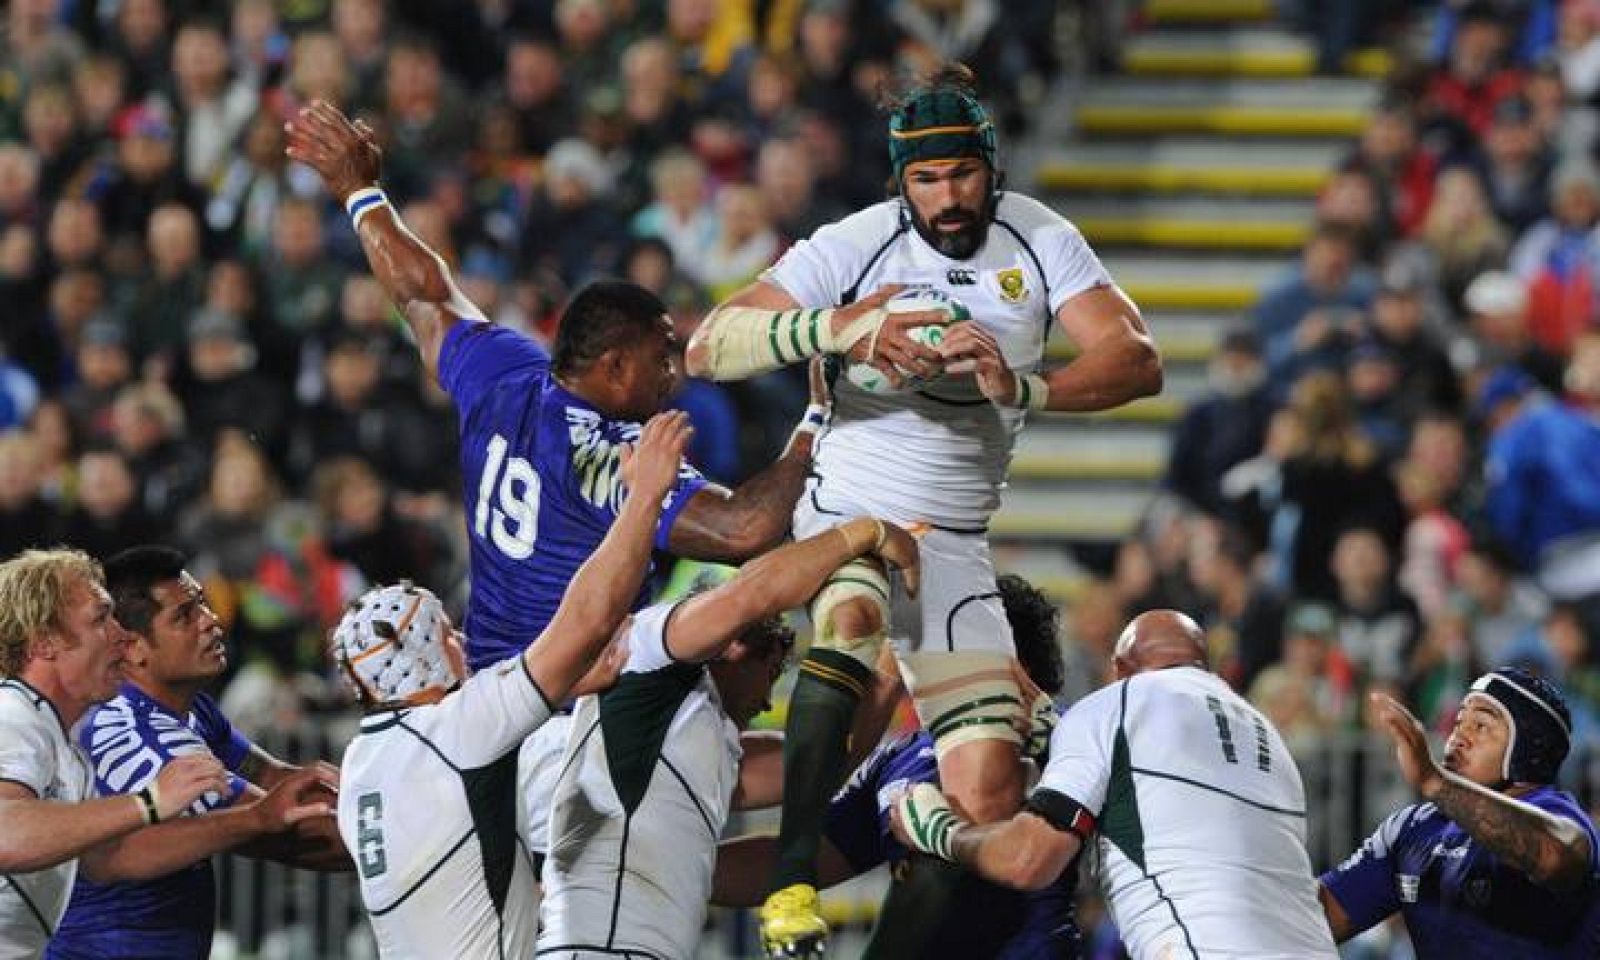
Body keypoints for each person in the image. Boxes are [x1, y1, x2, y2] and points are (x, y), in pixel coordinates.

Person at [284, 99, 862, 880]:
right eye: (663, 356)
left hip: (489, 705)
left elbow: (420, 294)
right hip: (572, 713)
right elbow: (745, 529)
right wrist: (817, 418)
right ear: (615, 366)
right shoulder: (611, 455)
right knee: (697, 835)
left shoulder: (503, 372)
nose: (676, 371)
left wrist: (359, 193)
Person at [683, 63, 1162, 955]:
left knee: (986, 791)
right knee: (856, 612)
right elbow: (709, 343)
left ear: (992, 165)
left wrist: (1023, 384)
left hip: (954, 544)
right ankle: (791, 888)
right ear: (900, 181)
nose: (946, 197)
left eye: (962, 175)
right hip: (849, 510)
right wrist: (835, 328)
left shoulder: (1039, 239)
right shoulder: (859, 244)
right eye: (925, 180)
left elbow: (1136, 359)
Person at [332, 412, 691, 960]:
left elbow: (457, 859)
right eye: (449, 632)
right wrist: (644, 497)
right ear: (433, 650)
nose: (463, 641)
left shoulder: (361, 763)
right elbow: (585, 622)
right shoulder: (458, 727)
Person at [536, 511, 920, 960]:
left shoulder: (693, 738)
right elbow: (748, 595)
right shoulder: (647, 657)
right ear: (735, 645)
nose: (764, 703)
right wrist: (862, 533)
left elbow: (823, 759)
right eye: (772, 673)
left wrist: (894, 664)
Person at [892, 609, 1339, 959]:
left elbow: (1028, 859)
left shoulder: (1117, 702)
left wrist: (939, 830)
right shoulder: (1266, 736)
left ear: (1119, 669)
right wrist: (1062, 731)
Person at [712, 574, 1080, 959]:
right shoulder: (900, 756)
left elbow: (940, 874)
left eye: (938, 642)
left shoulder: (1067, 737)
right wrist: (679, 866)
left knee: (936, 858)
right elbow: (808, 856)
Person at [0, 548, 330, 960]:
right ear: (45, 642)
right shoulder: (11, 716)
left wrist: (252, 818)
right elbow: (5, 832)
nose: (121, 636)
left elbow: (102, 860)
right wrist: (150, 802)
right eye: (101, 618)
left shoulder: (66, 741)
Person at [1319, 669, 1600, 956]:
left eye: (1480, 725)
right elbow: (1316, 919)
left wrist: (1434, 782)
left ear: (1528, 751)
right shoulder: (1414, 827)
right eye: (1458, 722)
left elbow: (1551, 856)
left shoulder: (1557, 815)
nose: (1457, 737)